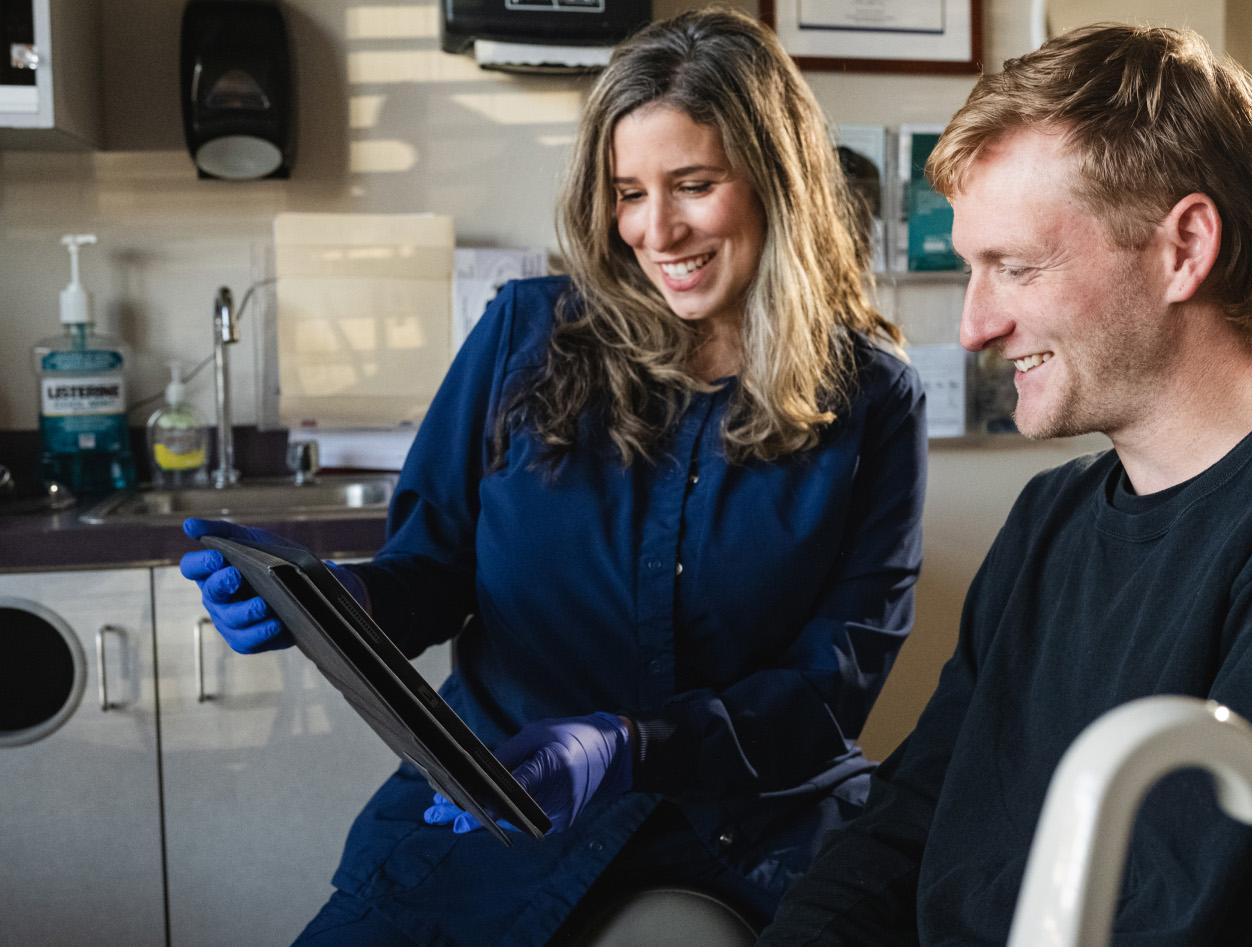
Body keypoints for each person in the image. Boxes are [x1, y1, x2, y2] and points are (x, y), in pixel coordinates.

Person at [759, 24, 1252, 946]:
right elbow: (906, 820)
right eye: (972, 268)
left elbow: (1209, 914)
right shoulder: (1053, 518)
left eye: (1015, 265)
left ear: (1182, 248)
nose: (974, 324)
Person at [179, 8, 926, 944]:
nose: (657, 230)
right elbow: (429, 572)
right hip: (496, 799)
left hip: (745, 827)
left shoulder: (872, 398)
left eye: (693, 184)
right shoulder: (522, 337)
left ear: (777, 185)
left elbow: (833, 685)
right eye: (628, 192)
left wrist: (627, 746)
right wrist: (328, 604)